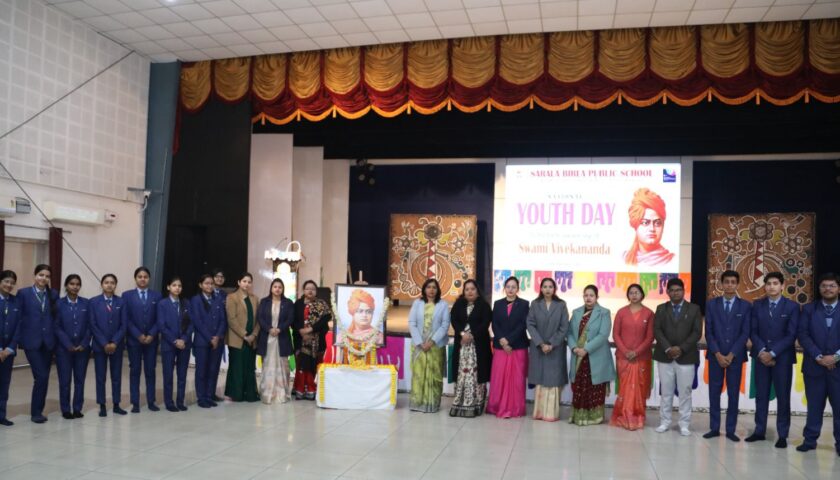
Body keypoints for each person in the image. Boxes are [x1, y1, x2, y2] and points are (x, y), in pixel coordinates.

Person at [746, 271, 799, 448]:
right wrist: (763, 351)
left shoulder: (792, 307)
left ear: (782, 286)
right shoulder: (757, 305)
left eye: (775, 283)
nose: (771, 287)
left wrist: (773, 353)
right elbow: (753, 331)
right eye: (768, 284)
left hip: (782, 359)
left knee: (783, 397)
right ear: (765, 286)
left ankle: (782, 434)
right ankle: (759, 431)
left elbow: (791, 335)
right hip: (761, 357)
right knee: (761, 396)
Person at [703, 270, 751, 442]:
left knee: (733, 393)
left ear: (737, 284)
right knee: (714, 392)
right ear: (721, 284)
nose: (730, 285)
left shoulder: (746, 306)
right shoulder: (711, 304)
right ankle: (714, 428)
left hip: (735, 357)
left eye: (733, 282)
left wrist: (731, 354)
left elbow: (745, 333)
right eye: (727, 282)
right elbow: (709, 332)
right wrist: (717, 353)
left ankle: (731, 430)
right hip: (715, 356)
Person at [795, 272, 840, 456]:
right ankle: (810, 440)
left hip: (838, 368)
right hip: (814, 366)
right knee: (814, 406)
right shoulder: (808, 309)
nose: (828, 289)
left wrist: (835, 357)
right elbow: (803, 334)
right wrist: (819, 356)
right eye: (824, 286)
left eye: (832, 285)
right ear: (819, 288)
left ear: (838, 289)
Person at [653, 277, 702, 436]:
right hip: (665, 356)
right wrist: (668, 348)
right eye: (672, 290)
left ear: (683, 291)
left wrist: (681, 348)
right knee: (666, 392)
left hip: (686, 357)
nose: (675, 293)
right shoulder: (661, 308)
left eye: (678, 290)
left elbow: (697, 332)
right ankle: (664, 422)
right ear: (667, 292)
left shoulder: (694, 309)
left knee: (685, 392)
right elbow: (657, 330)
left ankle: (684, 424)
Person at [568, 284, 615, 426]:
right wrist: (574, 347)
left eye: (591, 295)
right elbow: (569, 333)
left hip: (596, 356)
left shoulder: (604, 313)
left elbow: (603, 335)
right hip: (578, 356)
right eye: (586, 295)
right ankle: (578, 416)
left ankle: (595, 417)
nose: (588, 298)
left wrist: (586, 349)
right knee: (579, 386)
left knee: (595, 387)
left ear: (597, 297)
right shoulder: (576, 312)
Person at [17, 264, 58, 423]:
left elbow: (55, 317)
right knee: (41, 376)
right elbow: (19, 317)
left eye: (47, 276)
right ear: (35, 275)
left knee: (43, 378)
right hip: (31, 341)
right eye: (41, 275)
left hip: (48, 342)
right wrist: (19, 339)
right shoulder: (24, 293)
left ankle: (38, 410)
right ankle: (35, 413)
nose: (44, 278)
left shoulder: (53, 294)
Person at [610, 283, 655, 431]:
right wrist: (625, 351)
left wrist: (636, 352)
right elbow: (616, 334)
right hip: (623, 357)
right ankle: (623, 416)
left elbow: (650, 337)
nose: (634, 295)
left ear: (642, 295)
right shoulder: (621, 312)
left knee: (639, 388)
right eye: (631, 293)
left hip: (642, 358)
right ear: (628, 295)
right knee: (625, 388)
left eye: (637, 292)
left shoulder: (649, 313)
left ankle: (637, 416)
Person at [527, 277, 570, 422]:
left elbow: (564, 327)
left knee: (553, 380)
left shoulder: (561, 305)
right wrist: (541, 343)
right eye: (545, 286)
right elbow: (530, 324)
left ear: (554, 289)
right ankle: (539, 412)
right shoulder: (535, 304)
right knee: (540, 379)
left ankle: (551, 413)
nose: (547, 289)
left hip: (555, 348)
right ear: (541, 288)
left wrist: (551, 344)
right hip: (538, 348)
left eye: (550, 287)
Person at [487, 276, 529, 418]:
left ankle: (515, 408)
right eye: (508, 287)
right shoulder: (498, 303)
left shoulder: (524, 304)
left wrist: (509, 340)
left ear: (518, 289)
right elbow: (494, 324)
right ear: (504, 288)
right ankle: (496, 406)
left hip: (518, 346)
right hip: (500, 347)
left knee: (516, 379)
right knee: (499, 378)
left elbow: (523, 325)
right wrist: (503, 341)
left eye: (513, 287)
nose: (510, 289)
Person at [449, 279, 492, 418]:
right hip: (462, 345)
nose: (470, 292)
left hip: (478, 346)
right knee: (461, 374)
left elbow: (485, 323)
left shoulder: (484, 306)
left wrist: (472, 335)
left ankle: (476, 404)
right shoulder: (458, 304)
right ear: (464, 292)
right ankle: (459, 402)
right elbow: (454, 320)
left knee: (476, 375)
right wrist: (463, 334)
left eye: (472, 289)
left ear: (477, 291)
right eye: (467, 289)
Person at [122, 266, 162, 413]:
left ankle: (151, 401)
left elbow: (160, 318)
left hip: (152, 340)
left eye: (145, 277)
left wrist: (151, 334)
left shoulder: (157, 295)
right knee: (135, 371)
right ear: (135, 279)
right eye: (140, 277)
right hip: (134, 340)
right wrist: (138, 334)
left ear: (149, 279)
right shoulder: (126, 295)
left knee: (150, 370)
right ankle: (135, 403)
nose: (143, 279)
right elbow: (126, 319)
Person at [408, 278, 450, 413]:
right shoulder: (417, 303)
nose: (431, 290)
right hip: (419, 346)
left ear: (438, 290)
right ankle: (417, 403)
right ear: (424, 289)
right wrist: (420, 342)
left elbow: (445, 325)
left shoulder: (443, 305)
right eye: (429, 287)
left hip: (435, 346)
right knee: (418, 374)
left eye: (434, 287)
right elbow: (412, 323)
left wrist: (431, 342)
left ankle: (432, 404)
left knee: (435, 375)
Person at [89, 273, 127, 417]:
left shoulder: (121, 302)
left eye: (112, 282)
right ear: (102, 284)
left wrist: (115, 342)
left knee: (116, 376)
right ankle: (102, 405)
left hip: (117, 346)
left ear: (115, 285)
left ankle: (116, 404)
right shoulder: (93, 302)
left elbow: (124, 325)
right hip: (100, 346)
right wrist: (104, 343)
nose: (109, 285)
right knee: (101, 376)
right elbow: (92, 324)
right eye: (106, 282)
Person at [54, 274, 91, 419]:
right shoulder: (58, 304)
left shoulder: (86, 303)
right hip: (64, 349)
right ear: (66, 286)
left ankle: (77, 408)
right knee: (65, 380)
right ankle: (65, 409)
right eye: (71, 284)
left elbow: (90, 325)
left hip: (82, 349)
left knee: (80, 380)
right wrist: (68, 344)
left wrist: (84, 343)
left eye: (77, 284)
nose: (75, 287)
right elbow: (56, 327)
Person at [190, 274, 227, 408]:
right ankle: (201, 398)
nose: (209, 286)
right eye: (206, 283)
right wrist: (210, 338)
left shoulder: (218, 299)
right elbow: (197, 321)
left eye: (211, 283)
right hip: (202, 341)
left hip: (217, 341)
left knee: (213, 370)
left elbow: (223, 320)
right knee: (201, 370)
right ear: (200, 285)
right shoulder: (195, 300)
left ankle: (210, 395)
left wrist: (217, 337)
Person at [157, 277, 193, 412]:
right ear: (168, 287)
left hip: (184, 345)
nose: (177, 288)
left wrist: (183, 339)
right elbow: (162, 326)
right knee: (168, 375)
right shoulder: (162, 304)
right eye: (174, 285)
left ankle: (180, 401)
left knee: (182, 375)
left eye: (179, 286)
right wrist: (175, 340)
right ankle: (169, 402)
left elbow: (191, 323)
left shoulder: (186, 303)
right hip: (169, 345)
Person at [256, 278, 294, 404]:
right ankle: (267, 393)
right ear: (271, 288)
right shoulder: (264, 302)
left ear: (283, 289)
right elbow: (260, 318)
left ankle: (282, 393)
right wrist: (269, 329)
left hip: (282, 337)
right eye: (275, 286)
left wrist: (279, 329)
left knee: (283, 365)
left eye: (280, 287)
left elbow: (290, 318)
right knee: (268, 364)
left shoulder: (288, 302)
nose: (277, 289)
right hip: (267, 337)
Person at [224, 272, 261, 402]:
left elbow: (258, 320)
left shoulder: (255, 299)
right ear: (239, 282)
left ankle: (250, 393)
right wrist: (245, 335)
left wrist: (254, 335)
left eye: (249, 282)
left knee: (250, 367)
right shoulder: (232, 297)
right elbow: (232, 320)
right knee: (237, 367)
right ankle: (237, 394)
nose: (247, 284)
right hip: (238, 339)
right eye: (244, 281)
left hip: (252, 340)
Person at [292, 280, 331, 400]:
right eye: (307, 288)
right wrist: (301, 332)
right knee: (301, 365)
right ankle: (299, 389)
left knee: (313, 365)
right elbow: (293, 320)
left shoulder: (321, 304)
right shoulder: (298, 304)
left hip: (317, 342)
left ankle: (312, 389)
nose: (310, 291)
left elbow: (325, 320)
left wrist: (311, 330)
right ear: (303, 290)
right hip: (300, 339)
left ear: (316, 291)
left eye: (313, 289)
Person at [623, 187, 674, 267]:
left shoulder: (672, 260)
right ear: (635, 225)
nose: (652, 229)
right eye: (645, 223)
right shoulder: (624, 259)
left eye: (657, 223)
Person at [339, 289, 383, 366]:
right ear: (353, 312)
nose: (364, 315)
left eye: (368, 311)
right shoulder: (342, 336)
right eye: (360, 311)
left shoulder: (378, 336)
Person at [0, 270, 21, 426]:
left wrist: (10, 348)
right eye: (6, 281)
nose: (9, 285)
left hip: (9, 352)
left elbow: (19, 326)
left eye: (12, 283)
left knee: (4, 384)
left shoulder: (16, 302)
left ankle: (1, 415)